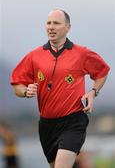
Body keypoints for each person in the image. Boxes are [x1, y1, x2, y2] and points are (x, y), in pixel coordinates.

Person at [10, 9, 110, 168]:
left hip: (73, 120)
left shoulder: (81, 53)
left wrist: (93, 91)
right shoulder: (34, 56)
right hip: (46, 125)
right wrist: (25, 91)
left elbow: (102, 72)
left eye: (56, 23)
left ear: (68, 27)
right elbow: (17, 84)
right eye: (48, 23)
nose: (51, 27)